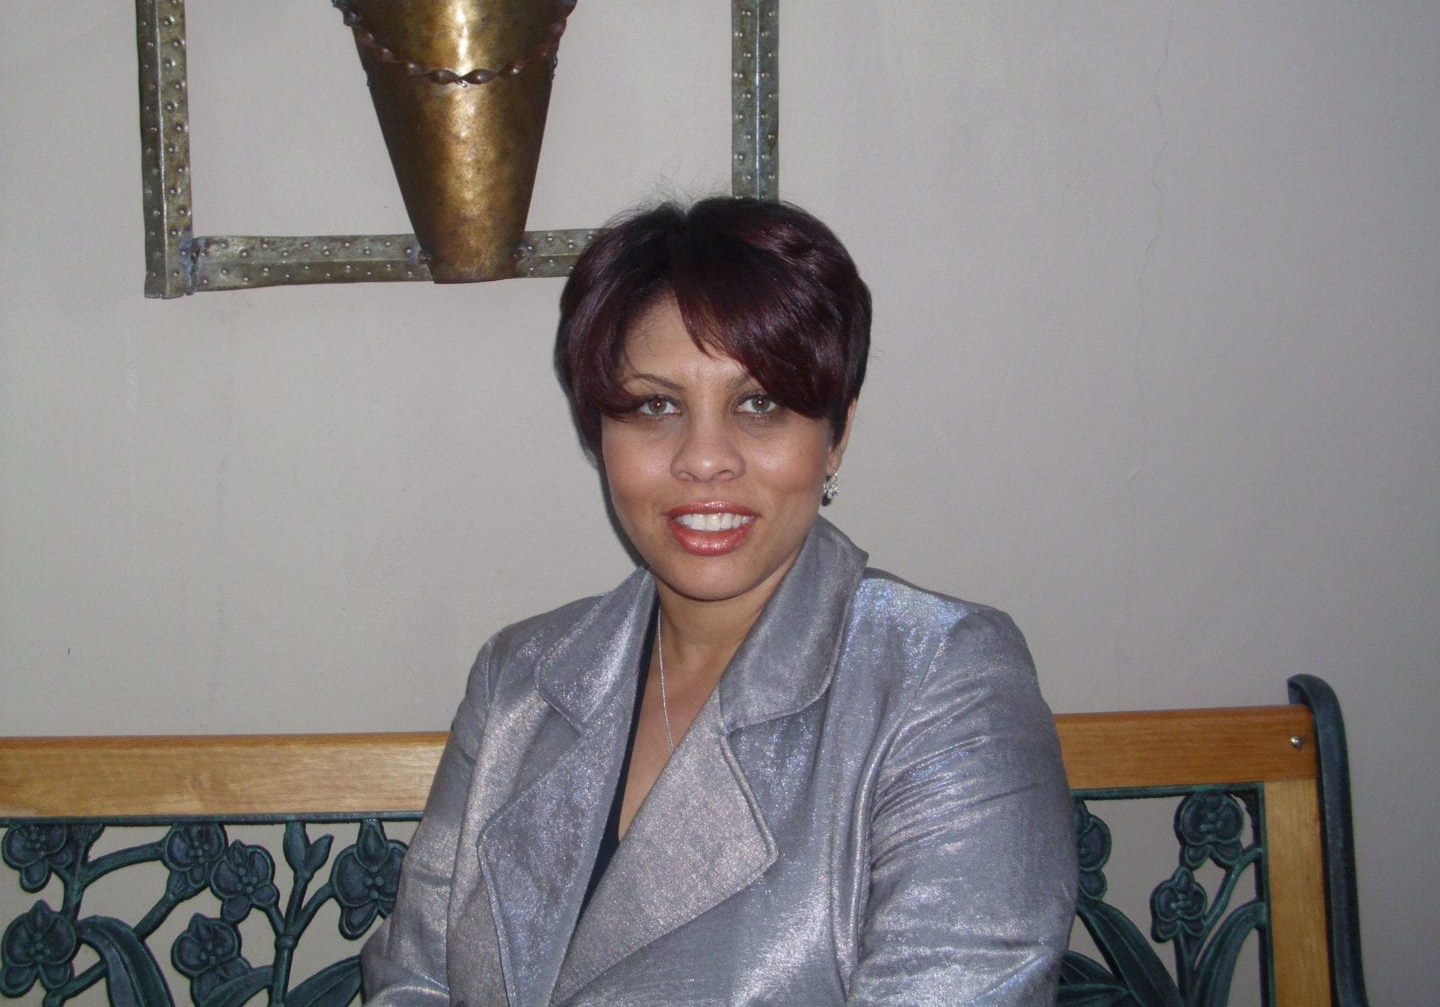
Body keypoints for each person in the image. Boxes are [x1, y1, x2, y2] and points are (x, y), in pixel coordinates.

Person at [361, 197, 1077, 1004]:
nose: (704, 459)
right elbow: (414, 979)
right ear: (599, 433)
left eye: (760, 402)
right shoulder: (519, 677)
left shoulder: (945, 680)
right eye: (655, 405)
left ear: (836, 435)